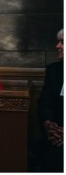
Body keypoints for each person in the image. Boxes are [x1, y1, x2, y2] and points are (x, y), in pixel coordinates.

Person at [37, 29, 63, 172]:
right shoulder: (53, 70)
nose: (57, 46)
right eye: (58, 42)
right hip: (55, 136)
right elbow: (44, 103)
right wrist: (48, 124)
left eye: (62, 42)